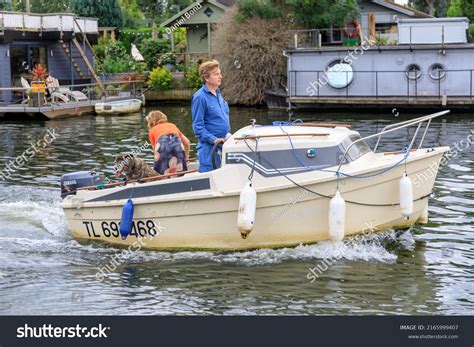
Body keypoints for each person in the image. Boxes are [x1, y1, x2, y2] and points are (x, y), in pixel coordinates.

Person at [191, 60, 230, 173]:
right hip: (209, 150)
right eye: (216, 74)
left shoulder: (219, 95)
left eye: (220, 73)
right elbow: (197, 127)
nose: (220, 77)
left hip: (223, 148)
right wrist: (214, 139)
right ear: (207, 78)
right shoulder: (200, 97)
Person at [146, 110, 191, 175]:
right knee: (180, 170)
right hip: (178, 148)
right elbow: (187, 142)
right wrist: (186, 158)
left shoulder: (152, 131)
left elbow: (156, 153)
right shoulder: (172, 125)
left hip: (162, 148)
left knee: (160, 172)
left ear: (151, 122)